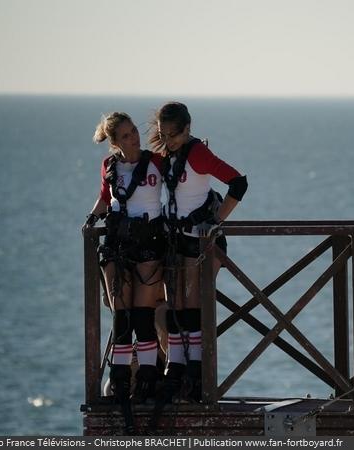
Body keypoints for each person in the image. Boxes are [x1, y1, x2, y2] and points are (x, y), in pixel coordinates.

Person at [149, 102, 247, 403]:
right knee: (176, 304)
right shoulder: (169, 154)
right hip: (175, 239)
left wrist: (216, 222)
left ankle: (195, 368)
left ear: (187, 129)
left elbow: (238, 182)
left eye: (173, 135)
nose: (168, 141)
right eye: (163, 135)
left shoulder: (197, 153)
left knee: (193, 305)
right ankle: (176, 366)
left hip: (201, 240)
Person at [83, 112, 166, 423]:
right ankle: (119, 381)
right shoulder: (109, 167)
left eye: (135, 132)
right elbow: (106, 198)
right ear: (115, 142)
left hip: (149, 243)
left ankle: (146, 379)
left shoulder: (156, 162)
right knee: (122, 318)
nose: (135, 138)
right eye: (127, 135)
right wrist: (91, 221)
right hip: (117, 244)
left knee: (143, 318)